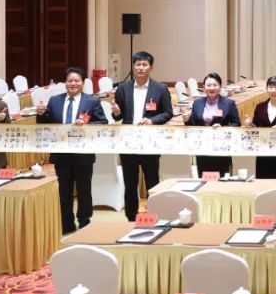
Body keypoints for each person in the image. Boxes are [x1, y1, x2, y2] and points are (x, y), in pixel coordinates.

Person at [36, 67, 108, 234]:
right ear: (65, 83)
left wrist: (87, 124)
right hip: (61, 153)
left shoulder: (91, 101)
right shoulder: (55, 101)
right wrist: (41, 114)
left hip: (83, 153)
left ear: (82, 83)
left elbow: (102, 123)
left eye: (77, 81)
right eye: (70, 81)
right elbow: (46, 123)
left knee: (84, 190)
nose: (73, 83)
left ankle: (84, 221)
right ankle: (66, 223)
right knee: (64, 190)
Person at [111, 51, 174, 221]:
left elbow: (168, 113)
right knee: (130, 183)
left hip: (150, 142)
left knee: (152, 181)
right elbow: (118, 116)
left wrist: (152, 121)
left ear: (151, 67)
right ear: (133, 67)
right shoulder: (123, 89)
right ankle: (131, 218)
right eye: (137, 64)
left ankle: (154, 216)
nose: (140, 68)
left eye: (144, 64)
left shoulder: (160, 88)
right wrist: (116, 112)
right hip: (128, 142)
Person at [183, 72, 240, 176]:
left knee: (221, 179)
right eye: (208, 85)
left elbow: (237, 123)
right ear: (204, 87)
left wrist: (222, 128)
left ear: (220, 86)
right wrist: (187, 120)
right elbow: (194, 125)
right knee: (204, 178)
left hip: (221, 148)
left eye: (215, 85)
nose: (211, 88)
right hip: (202, 148)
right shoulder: (197, 103)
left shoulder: (229, 104)